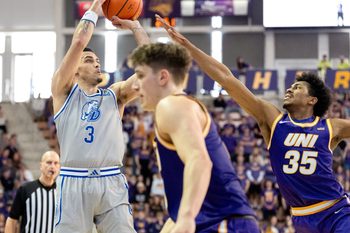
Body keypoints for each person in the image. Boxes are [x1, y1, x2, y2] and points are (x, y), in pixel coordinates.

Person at [156, 15, 350, 233]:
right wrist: (187, 46)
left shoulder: (332, 127)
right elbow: (227, 79)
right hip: (301, 218)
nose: (289, 89)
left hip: (337, 212)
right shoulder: (273, 120)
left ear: (311, 100)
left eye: (297, 88)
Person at [128, 37, 260, 233]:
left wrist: (186, 218)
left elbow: (200, 161)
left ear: (163, 77)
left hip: (221, 224)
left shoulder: (172, 105)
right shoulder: (180, 107)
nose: (135, 86)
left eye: (140, 76)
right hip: (219, 222)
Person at [51, 0, 150, 232]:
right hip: (73, 181)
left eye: (98, 61)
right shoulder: (63, 91)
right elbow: (79, 41)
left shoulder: (114, 95)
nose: (97, 65)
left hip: (111, 180)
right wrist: (98, 3)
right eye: (89, 61)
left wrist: (136, 27)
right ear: (75, 70)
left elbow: (147, 72)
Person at [4, 151, 60, 233]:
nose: (52, 166)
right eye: (49, 162)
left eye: (56, 163)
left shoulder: (62, 193)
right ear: (41, 165)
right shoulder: (26, 189)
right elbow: (12, 220)